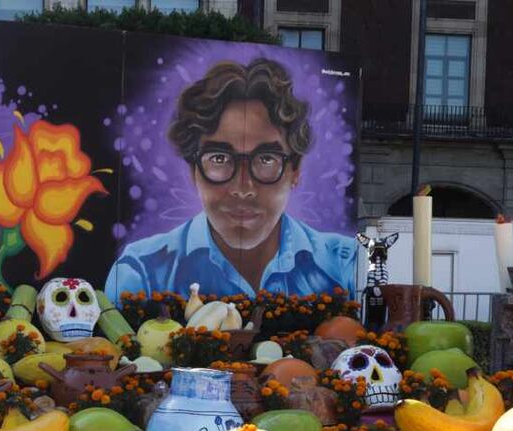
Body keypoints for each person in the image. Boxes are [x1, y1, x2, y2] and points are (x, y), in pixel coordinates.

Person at [106, 58, 356, 304]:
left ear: (295, 170)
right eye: (219, 158)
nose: (242, 188)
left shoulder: (346, 266)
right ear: (193, 171)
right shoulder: (141, 275)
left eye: (266, 159)